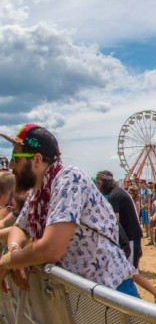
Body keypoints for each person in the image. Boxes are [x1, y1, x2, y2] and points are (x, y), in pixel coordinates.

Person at [0, 124, 137, 297]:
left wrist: (6, 262)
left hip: (110, 291)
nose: (11, 165)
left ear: (36, 160)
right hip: (82, 294)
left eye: (15, 157)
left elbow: (51, 248)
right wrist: (14, 251)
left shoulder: (70, 179)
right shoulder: (39, 193)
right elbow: (19, 228)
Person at [96, 171, 156, 305]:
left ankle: (153, 296)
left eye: (99, 184)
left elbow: (114, 223)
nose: (97, 187)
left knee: (129, 271)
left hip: (130, 238)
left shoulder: (114, 196)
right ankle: (153, 296)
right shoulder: (118, 193)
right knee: (129, 271)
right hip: (131, 237)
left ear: (104, 184)